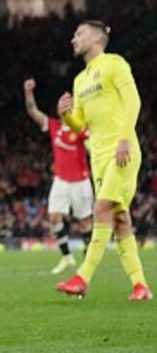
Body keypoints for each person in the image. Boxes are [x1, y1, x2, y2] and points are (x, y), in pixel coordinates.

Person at [56, 21, 151, 301]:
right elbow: (79, 125)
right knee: (120, 220)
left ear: (97, 38)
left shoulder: (114, 63)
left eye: (79, 34)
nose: (74, 39)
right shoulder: (80, 80)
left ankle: (82, 277)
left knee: (101, 209)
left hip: (122, 150)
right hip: (97, 157)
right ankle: (140, 286)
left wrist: (124, 137)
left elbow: (133, 100)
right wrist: (65, 115)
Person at [23, 78, 93, 274]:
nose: (66, 105)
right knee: (54, 217)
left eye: (70, 102)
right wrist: (28, 92)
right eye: (63, 102)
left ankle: (89, 261)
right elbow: (32, 112)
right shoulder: (53, 126)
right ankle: (67, 257)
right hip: (61, 180)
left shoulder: (80, 128)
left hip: (80, 181)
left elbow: (91, 147)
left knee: (85, 222)